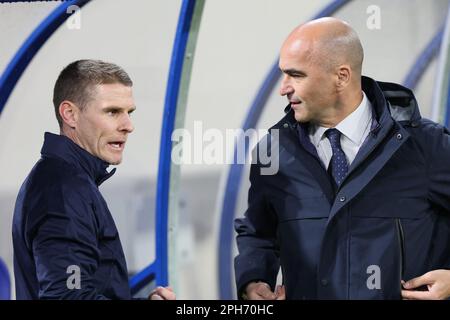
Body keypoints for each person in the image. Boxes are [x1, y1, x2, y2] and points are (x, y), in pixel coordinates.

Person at [234, 17, 450, 300]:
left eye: (296, 75)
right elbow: (257, 233)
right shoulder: (273, 152)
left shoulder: (425, 145)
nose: (283, 88)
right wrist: (254, 280)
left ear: (342, 76)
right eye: (283, 74)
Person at [12, 60, 175, 300]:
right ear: (70, 114)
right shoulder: (63, 192)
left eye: (129, 113)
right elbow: (67, 296)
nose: (128, 126)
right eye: (112, 112)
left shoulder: (67, 181)